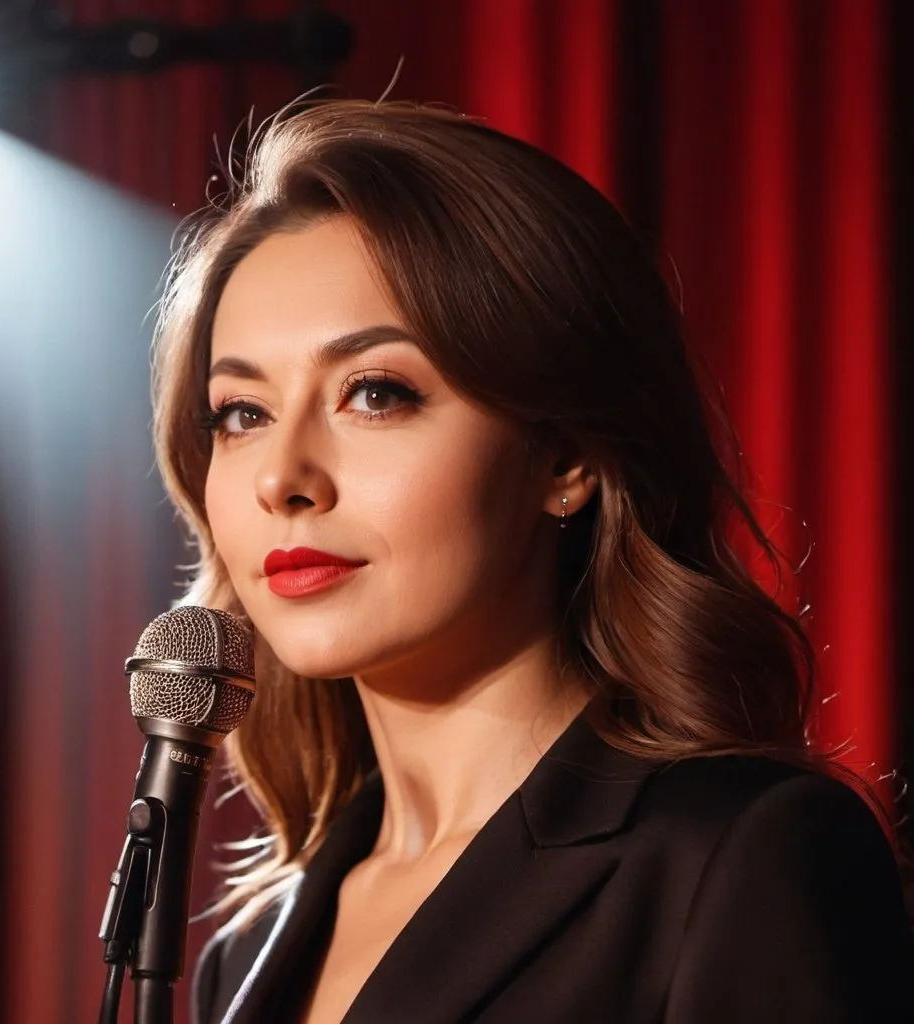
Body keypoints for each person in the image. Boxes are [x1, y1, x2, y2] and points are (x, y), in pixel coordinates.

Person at [151, 100, 914, 1023]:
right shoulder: (244, 955)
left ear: (566, 459)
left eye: (376, 393)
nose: (283, 478)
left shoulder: (737, 856)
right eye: (241, 413)